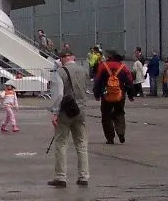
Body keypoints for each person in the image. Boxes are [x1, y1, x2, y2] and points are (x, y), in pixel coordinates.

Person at [48, 51, 90, 187]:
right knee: (81, 144)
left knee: (61, 144)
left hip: (65, 112)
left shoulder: (59, 73)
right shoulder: (84, 71)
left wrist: (55, 113)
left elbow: (58, 94)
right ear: (73, 58)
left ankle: (61, 177)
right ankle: (83, 176)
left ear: (62, 59)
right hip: (81, 111)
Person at [92, 50, 134, 144]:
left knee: (106, 116)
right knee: (119, 113)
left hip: (106, 94)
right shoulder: (123, 67)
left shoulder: (103, 66)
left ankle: (110, 138)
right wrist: (130, 95)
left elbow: (97, 81)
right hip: (120, 94)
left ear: (109, 57)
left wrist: (97, 94)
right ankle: (121, 132)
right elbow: (130, 81)